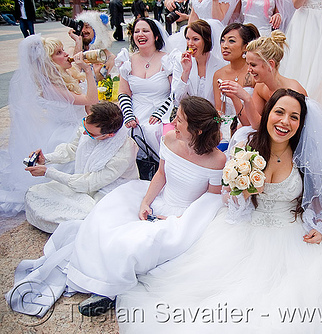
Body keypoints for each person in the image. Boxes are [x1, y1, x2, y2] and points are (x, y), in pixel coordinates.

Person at [117, 88, 322, 333]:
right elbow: (228, 199)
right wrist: (243, 193)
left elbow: (319, 200)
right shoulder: (246, 145)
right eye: (279, 112)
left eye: (294, 117)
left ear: (301, 123)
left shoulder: (305, 156)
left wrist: (319, 224)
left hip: (292, 236)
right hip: (244, 231)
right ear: (268, 114)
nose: (285, 121)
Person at [6, 96, 227, 318]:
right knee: (104, 220)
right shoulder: (169, 139)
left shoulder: (217, 160)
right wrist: (145, 202)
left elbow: (210, 200)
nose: (173, 123)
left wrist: (179, 221)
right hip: (158, 198)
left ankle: (110, 293)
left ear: (197, 130)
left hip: (186, 216)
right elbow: (161, 174)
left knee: (140, 242)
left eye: (179, 120)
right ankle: (101, 281)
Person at [0, 35, 98, 217]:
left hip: (80, 127)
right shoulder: (50, 88)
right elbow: (91, 99)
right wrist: (89, 71)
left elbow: (89, 104)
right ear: (49, 62)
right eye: (59, 53)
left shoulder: (62, 77)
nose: (66, 54)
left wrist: (78, 44)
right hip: (67, 133)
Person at [24, 102, 139, 234]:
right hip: (84, 181)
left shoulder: (124, 152)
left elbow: (90, 183)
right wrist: (46, 159)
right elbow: (73, 148)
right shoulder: (89, 127)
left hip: (109, 190)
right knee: (35, 193)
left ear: (109, 135)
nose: (84, 133)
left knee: (89, 220)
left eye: (90, 133)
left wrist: (48, 172)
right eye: (84, 125)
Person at [219, 30, 306, 131]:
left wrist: (247, 98)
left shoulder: (292, 91)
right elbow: (251, 123)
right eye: (248, 64)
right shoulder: (260, 87)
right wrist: (235, 97)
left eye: (253, 65)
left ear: (271, 64)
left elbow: (294, 130)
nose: (249, 70)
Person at [116, 18, 173, 157]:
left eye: (145, 31)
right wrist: (128, 114)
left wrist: (160, 113)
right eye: (136, 31)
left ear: (156, 36)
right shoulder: (127, 61)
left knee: (152, 130)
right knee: (124, 131)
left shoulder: (168, 59)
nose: (140, 34)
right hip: (135, 109)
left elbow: (176, 93)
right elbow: (123, 92)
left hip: (162, 109)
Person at [213, 23, 260, 144]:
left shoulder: (254, 74)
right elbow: (218, 110)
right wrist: (216, 129)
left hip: (250, 129)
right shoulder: (219, 74)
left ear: (245, 46)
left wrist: (235, 96)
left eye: (231, 41)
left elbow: (252, 120)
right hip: (226, 130)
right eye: (223, 41)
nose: (225, 46)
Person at [278, 0, 322, 93]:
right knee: (301, 60)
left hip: (321, 22)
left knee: (321, 63)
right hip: (305, 22)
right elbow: (296, 4)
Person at [171, 19, 227, 106]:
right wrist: (186, 72)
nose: (190, 43)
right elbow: (177, 100)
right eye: (188, 39)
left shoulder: (221, 66)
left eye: (195, 39)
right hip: (188, 114)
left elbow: (223, 102)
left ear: (207, 40)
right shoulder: (180, 62)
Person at [69, 11, 115, 82]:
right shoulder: (73, 51)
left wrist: (98, 74)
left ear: (97, 31)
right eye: (81, 27)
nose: (83, 31)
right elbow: (72, 77)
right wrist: (78, 41)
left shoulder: (109, 57)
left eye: (87, 27)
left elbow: (112, 86)